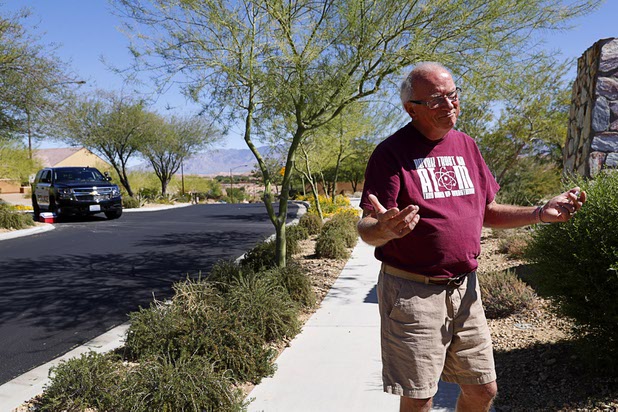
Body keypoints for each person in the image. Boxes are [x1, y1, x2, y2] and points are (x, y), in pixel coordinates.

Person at [357, 62, 586, 412]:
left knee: (483, 390)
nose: (449, 105)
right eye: (436, 100)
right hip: (412, 292)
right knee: (420, 396)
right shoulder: (391, 154)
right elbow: (367, 227)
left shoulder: (466, 146)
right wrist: (383, 230)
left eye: (453, 95)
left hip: (465, 288)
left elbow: (487, 212)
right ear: (410, 109)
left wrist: (541, 213)